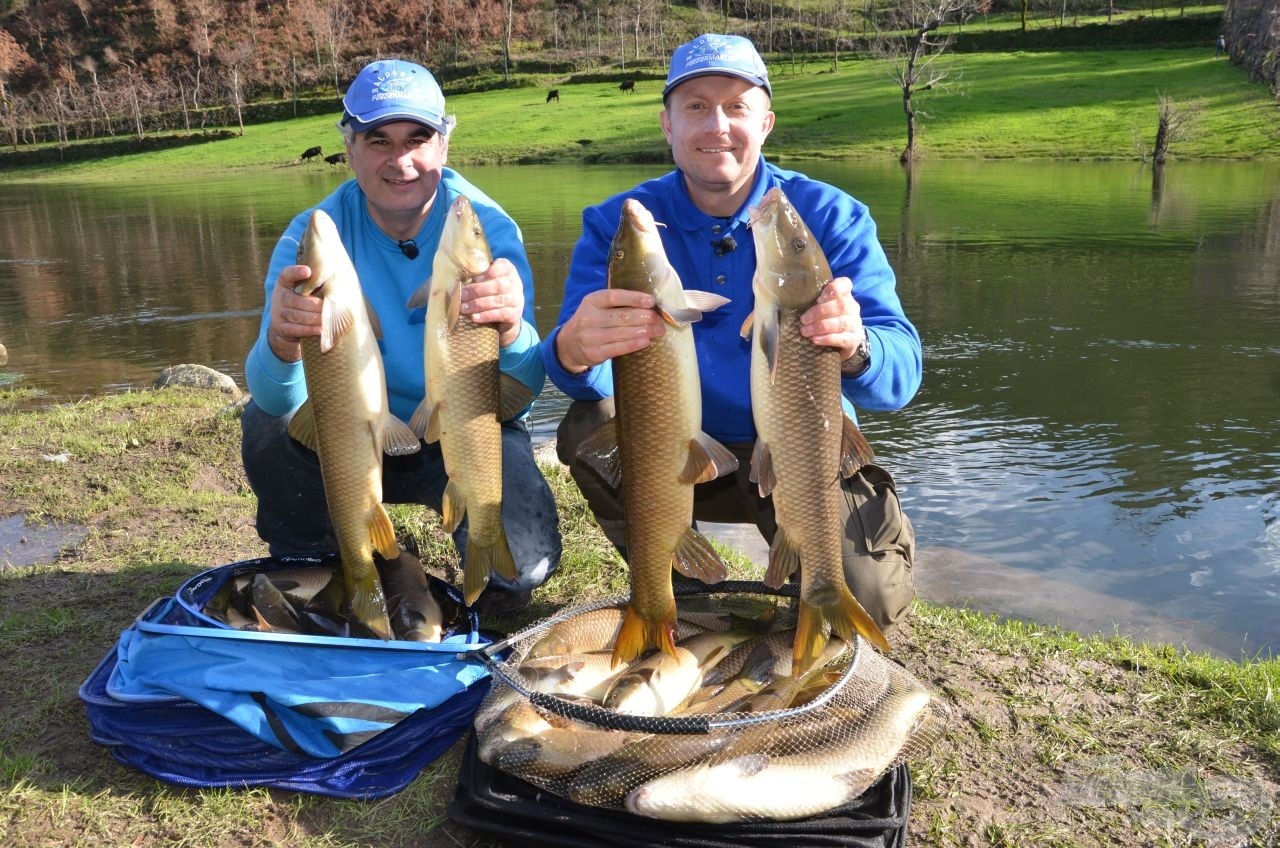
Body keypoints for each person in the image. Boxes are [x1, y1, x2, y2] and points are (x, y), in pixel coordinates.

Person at [542, 34, 921, 634]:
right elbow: (577, 374)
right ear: (667, 124)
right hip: (682, 453)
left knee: (868, 601)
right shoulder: (619, 224)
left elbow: (901, 378)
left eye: (736, 107)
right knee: (587, 426)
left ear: (766, 122)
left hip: (802, 451)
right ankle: (682, 587)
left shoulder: (830, 216)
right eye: (695, 106)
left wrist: (858, 345)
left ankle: (814, 572)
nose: (716, 125)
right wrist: (570, 347)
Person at [242, 58, 561, 615]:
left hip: (462, 430)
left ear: (444, 145)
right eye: (377, 140)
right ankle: (331, 556)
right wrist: (281, 343)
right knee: (266, 426)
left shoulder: (487, 229)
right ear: (349, 148)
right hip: (351, 436)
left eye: (418, 139)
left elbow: (522, 391)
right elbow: (275, 399)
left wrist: (512, 331)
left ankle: (472, 557)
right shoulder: (313, 235)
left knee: (522, 572)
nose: (401, 161)